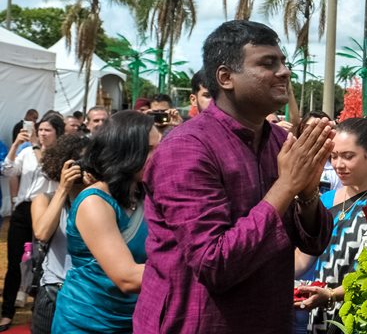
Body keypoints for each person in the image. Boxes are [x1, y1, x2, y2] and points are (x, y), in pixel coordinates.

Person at [133, 20, 334, 334]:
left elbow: (315, 241)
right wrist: (286, 186)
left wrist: (307, 194)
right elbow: (214, 264)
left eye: (283, 62)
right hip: (194, 323)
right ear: (226, 77)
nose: (284, 72)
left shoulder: (280, 144)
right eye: (267, 63)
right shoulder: (185, 149)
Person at [52, 111, 161, 333]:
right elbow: (127, 277)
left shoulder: (145, 194)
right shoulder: (94, 202)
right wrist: (195, 267)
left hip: (132, 319)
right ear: (126, 152)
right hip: (86, 322)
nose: (160, 155)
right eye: (150, 149)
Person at [295, 117, 367, 334]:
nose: (338, 165)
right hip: (318, 310)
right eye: (334, 157)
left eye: (348, 156)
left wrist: (333, 294)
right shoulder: (323, 201)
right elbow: (302, 258)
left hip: (364, 311)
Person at [0, 114, 65, 331]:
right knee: (15, 261)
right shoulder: (26, 152)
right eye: (41, 129)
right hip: (23, 209)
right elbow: (7, 170)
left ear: (57, 133)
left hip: (47, 209)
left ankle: (39, 310)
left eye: (48, 130)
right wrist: (16, 145)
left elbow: (47, 170)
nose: (43, 133)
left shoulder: (60, 155)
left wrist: (36, 147)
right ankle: (7, 312)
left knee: (42, 262)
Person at [30, 134, 91, 334]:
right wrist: (64, 188)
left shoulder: (97, 201)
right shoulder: (44, 199)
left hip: (88, 293)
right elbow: (42, 233)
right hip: (54, 291)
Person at [297, 111, 340, 193]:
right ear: (301, 129)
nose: (315, 132)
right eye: (309, 127)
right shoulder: (290, 160)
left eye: (322, 128)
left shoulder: (337, 166)